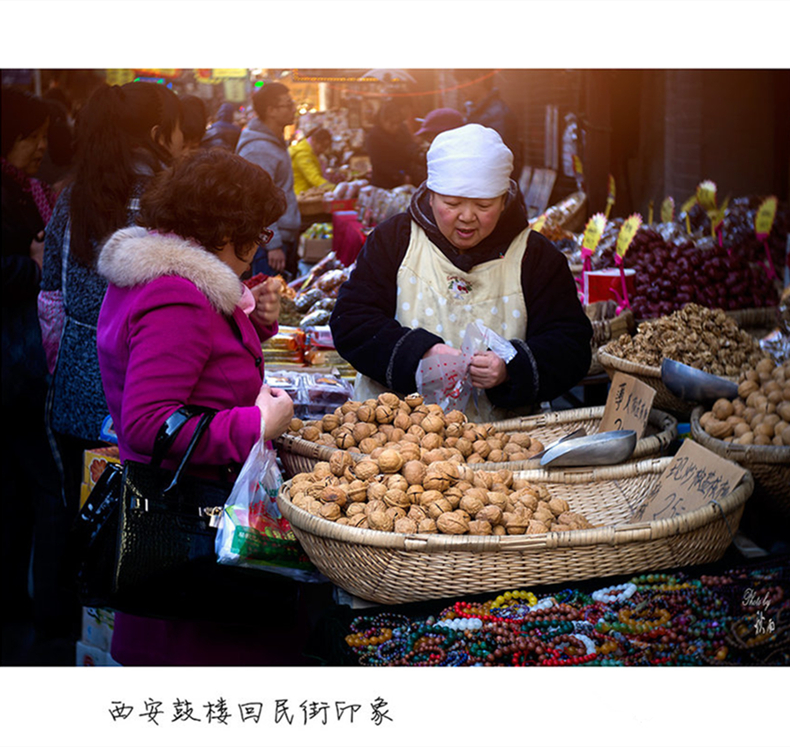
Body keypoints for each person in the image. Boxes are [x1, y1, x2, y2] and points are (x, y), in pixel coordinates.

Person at [95, 148, 310, 665]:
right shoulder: (178, 295)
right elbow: (149, 423)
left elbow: (193, 366)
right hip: (189, 527)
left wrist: (253, 324)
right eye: (256, 233)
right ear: (224, 228)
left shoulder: (160, 277)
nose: (259, 247)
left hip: (186, 516)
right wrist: (258, 422)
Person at [330, 124, 592, 422]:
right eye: (452, 204)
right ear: (430, 196)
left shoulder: (536, 257)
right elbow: (351, 321)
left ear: (505, 201)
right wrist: (419, 355)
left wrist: (510, 368)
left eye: (484, 205)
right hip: (394, 434)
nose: (467, 217)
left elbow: (571, 346)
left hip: (499, 446)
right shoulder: (395, 240)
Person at [39, 81, 184, 532]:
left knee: (84, 523)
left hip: (78, 388)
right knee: (143, 531)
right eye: (180, 132)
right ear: (160, 133)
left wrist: (64, 370)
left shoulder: (74, 194)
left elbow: (51, 300)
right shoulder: (168, 196)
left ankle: (69, 602)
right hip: (149, 395)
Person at [2, 87, 69, 650]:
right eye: (34, 136)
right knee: (44, 484)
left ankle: (22, 601)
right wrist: (31, 266)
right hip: (16, 360)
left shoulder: (26, 189)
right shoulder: (7, 192)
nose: (41, 147)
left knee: (20, 486)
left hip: (21, 357)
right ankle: (46, 615)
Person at [235, 82, 301, 279]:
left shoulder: (274, 142)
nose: (293, 109)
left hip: (279, 238)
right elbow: (256, 200)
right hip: (268, 246)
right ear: (271, 110)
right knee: (268, 301)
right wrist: (273, 245)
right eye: (288, 104)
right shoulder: (259, 149)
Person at [458, 70, 522, 180]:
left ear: (479, 78)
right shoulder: (478, 111)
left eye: (462, 82)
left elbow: (498, 161)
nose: (459, 87)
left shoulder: (497, 114)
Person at [365, 100, 425, 189]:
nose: (395, 127)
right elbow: (378, 163)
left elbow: (409, 146)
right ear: (382, 120)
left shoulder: (402, 130)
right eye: (392, 123)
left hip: (406, 177)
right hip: (383, 182)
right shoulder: (374, 136)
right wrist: (399, 176)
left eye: (397, 123)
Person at [289, 126, 333, 196]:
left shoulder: (307, 152)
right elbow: (314, 178)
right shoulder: (303, 154)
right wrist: (334, 189)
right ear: (314, 140)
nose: (323, 150)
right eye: (322, 146)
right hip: (301, 196)